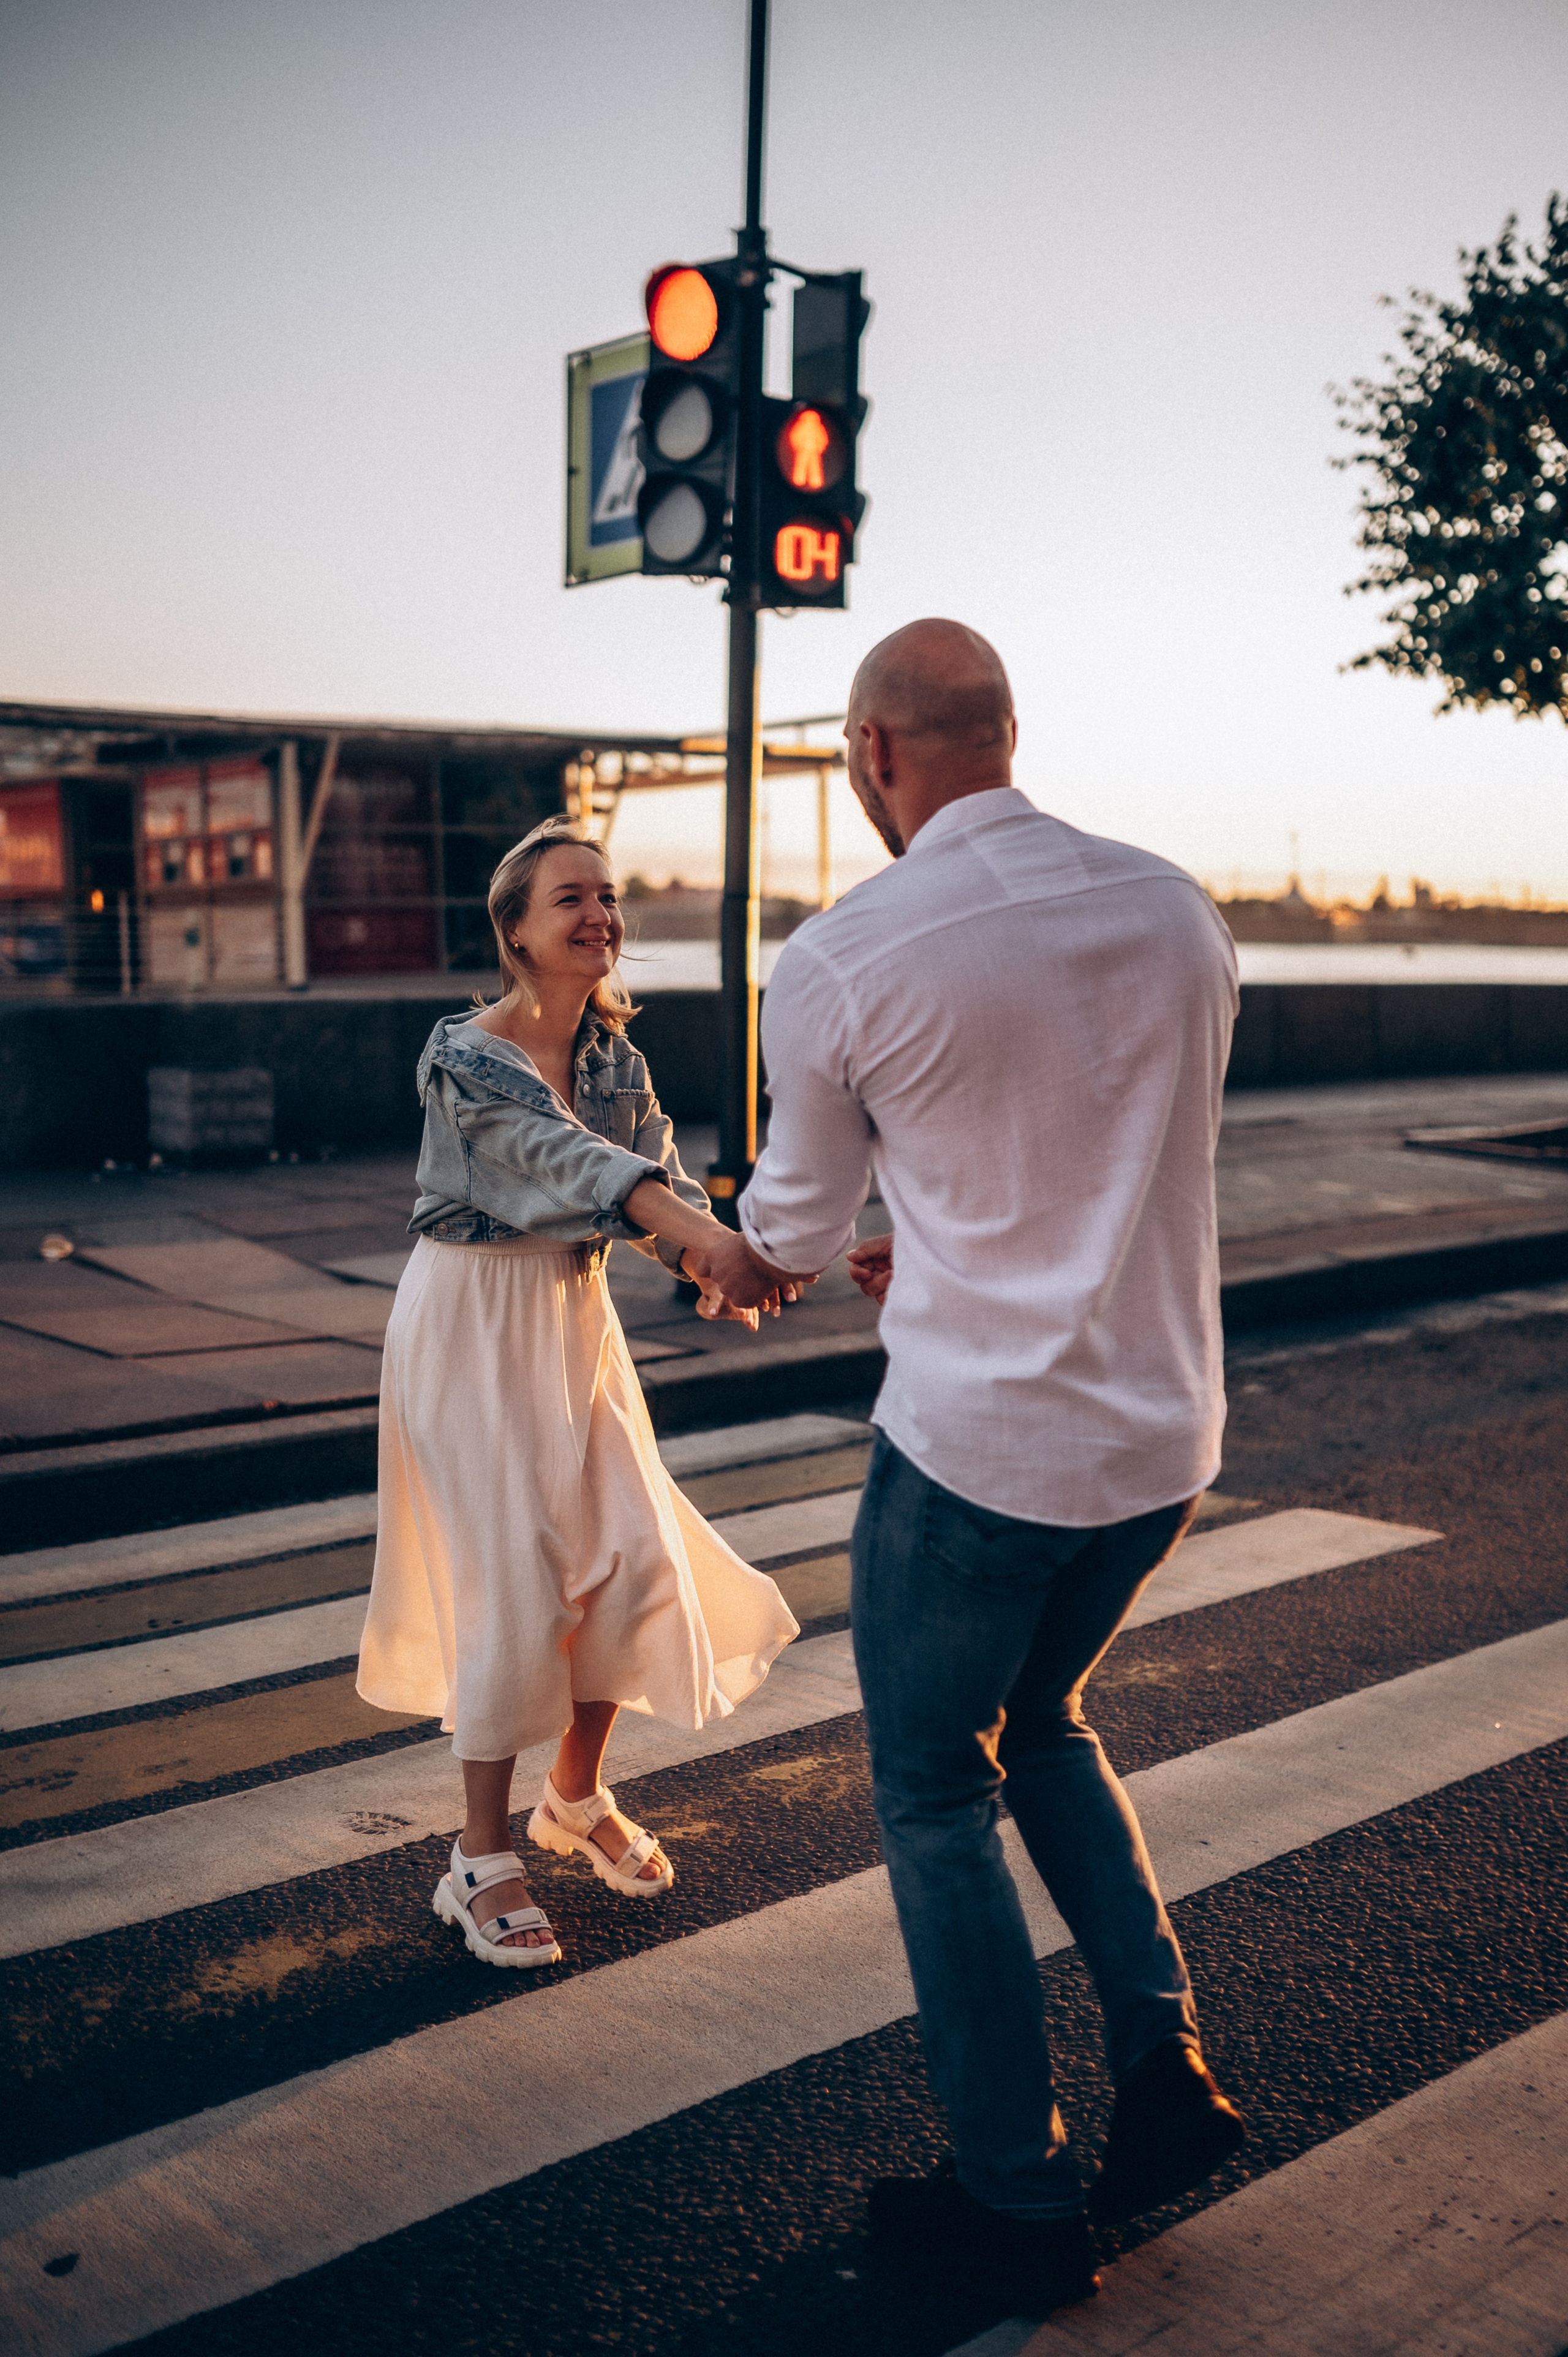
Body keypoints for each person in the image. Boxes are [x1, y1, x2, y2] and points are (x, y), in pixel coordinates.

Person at [699, 620, 1246, 2316]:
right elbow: (1102, 1164)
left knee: (937, 1790)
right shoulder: (1176, 910)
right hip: (1159, 1443)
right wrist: (936, 1247)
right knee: (1050, 1720)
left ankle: (1015, 2197)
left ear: (873, 751)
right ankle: (1162, 2063)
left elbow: (787, 1233)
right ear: (1005, 730)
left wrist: (684, 1235)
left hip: (981, 1465)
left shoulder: (847, 954)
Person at [357, 816, 798, 1969]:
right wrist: (711, 1244)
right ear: (515, 931)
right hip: (472, 1324)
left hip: (572, 1320)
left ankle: (574, 1795)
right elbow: (576, 1167)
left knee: (629, 1559)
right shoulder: (467, 1057)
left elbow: (653, 1173)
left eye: (607, 896)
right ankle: (478, 1857)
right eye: (571, 898)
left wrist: (710, 1264)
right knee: (514, 1583)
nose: (601, 914)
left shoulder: (613, 1057)